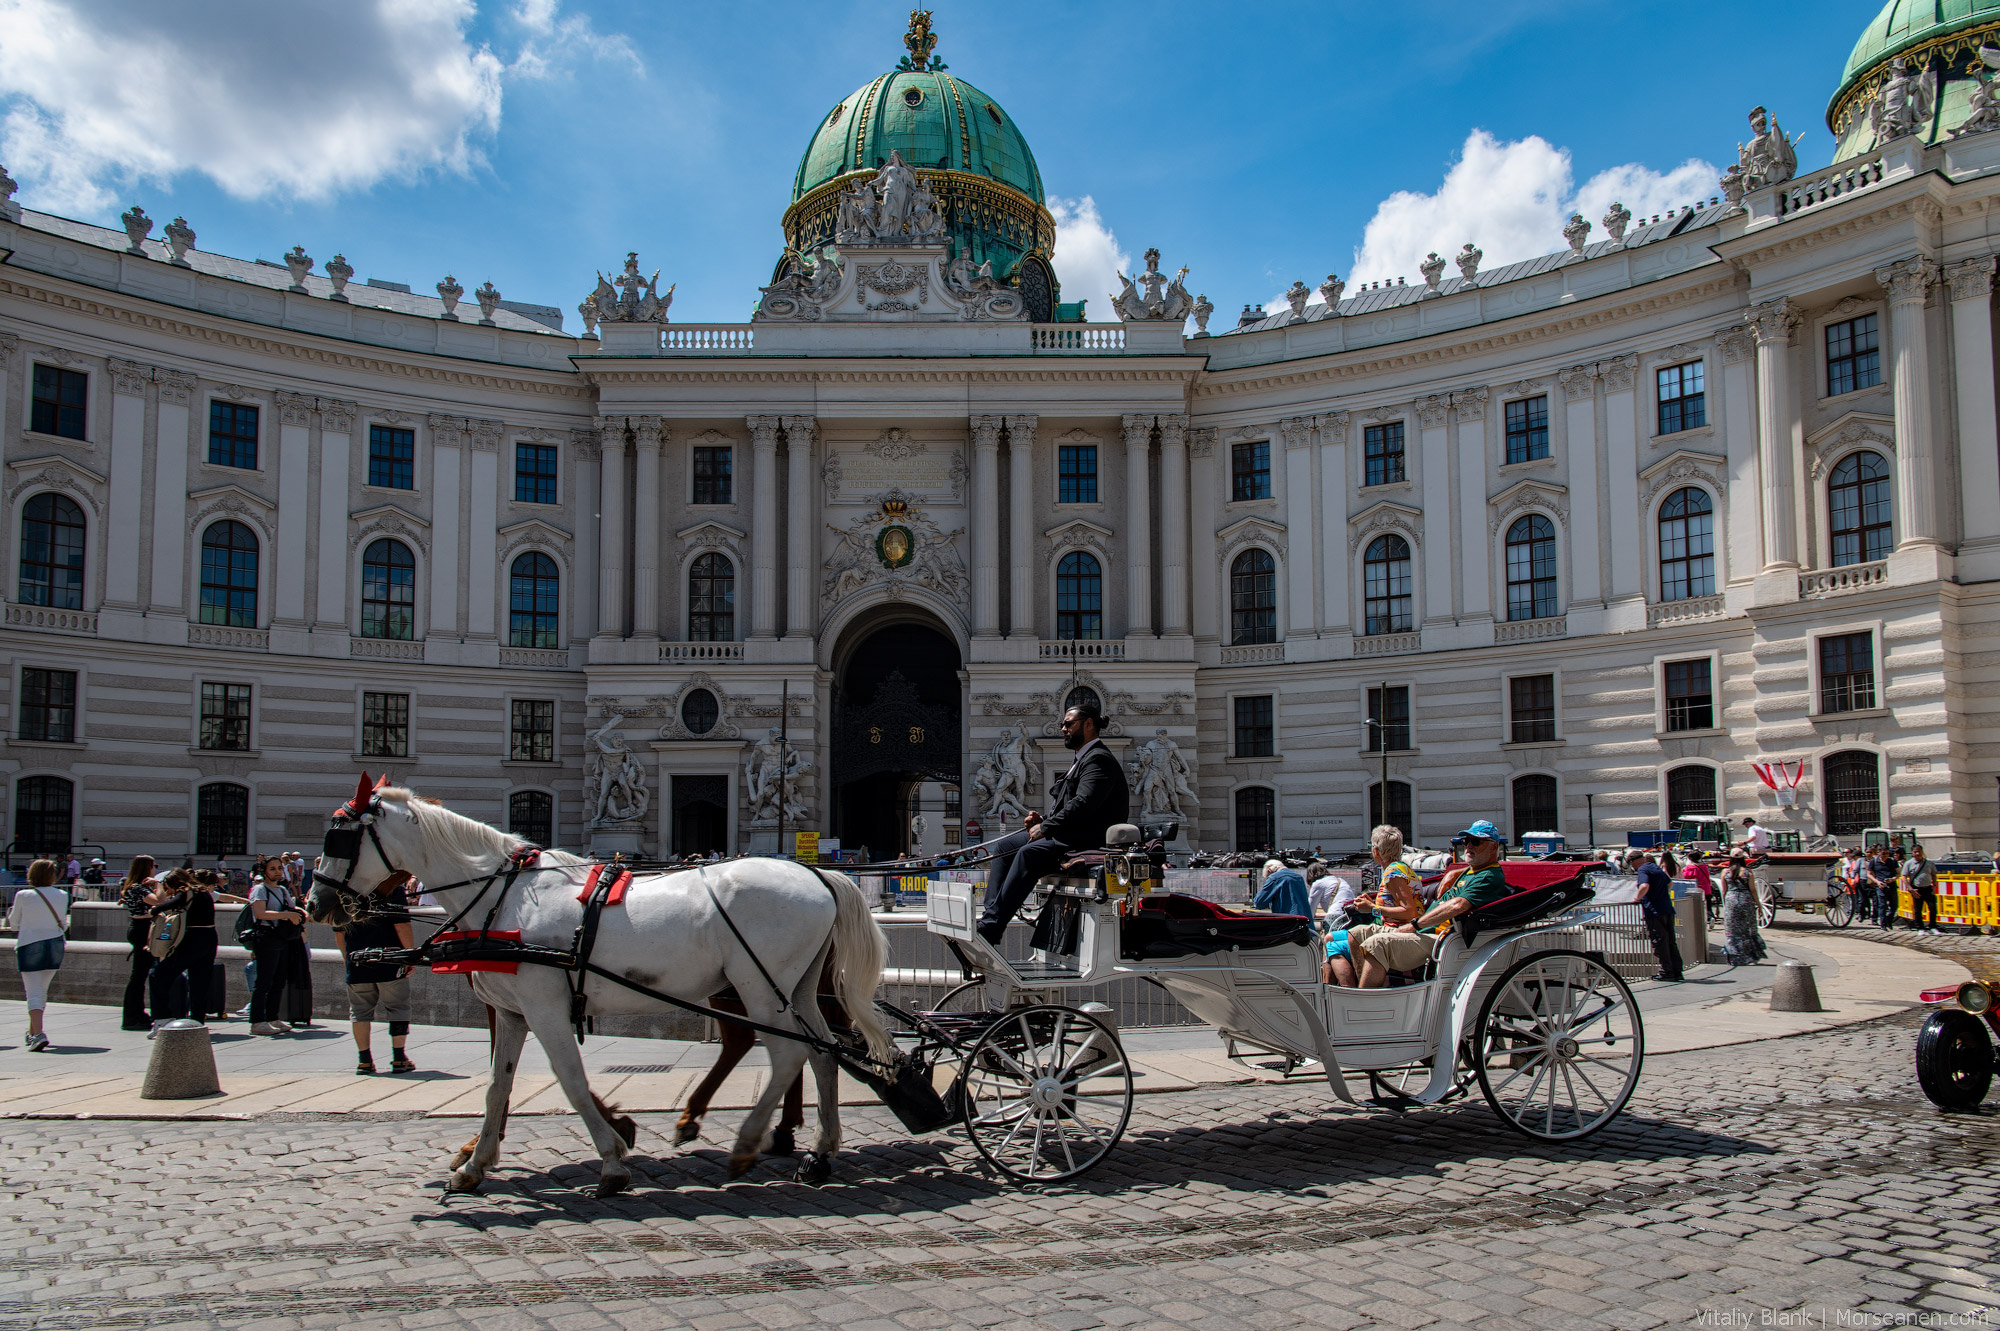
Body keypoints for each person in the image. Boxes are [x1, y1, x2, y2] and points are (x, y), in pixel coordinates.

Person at [976, 701, 1129, 943]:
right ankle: (989, 916)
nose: (1063, 729)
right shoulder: (1084, 758)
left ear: (1088, 724)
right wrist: (1043, 820)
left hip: (1088, 838)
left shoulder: (1098, 759)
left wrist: (1046, 827)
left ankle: (993, 926)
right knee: (1004, 848)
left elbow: (1084, 804)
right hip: (1069, 832)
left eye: (1068, 724)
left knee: (1029, 853)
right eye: (1062, 724)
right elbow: (1070, 805)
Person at [1344, 821, 1514, 988]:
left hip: (1440, 937)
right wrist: (1454, 872)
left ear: (1494, 847)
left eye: (1475, 841)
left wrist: (1415, 925)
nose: (1468, 846)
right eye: (1465, 841)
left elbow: (1457, 906)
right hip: (1426, 930)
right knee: (1356, 934)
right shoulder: (1475, 870)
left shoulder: (1488, 876)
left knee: (1376, 944)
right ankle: (1363, 989)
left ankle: (1367, 1001)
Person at [334, 881, 416, 1074]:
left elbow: (339, 934)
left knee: (359, 1012)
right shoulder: (391, 889)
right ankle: (398, 1058)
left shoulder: (344, 892)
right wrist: (410, 955)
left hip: (357, 961)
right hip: (390, 959)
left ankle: (364, 1060)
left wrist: (349, 959)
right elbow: (402, 925)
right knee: (398, 1007)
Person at [1325, 825, 1419, 987]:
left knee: (1332, 947)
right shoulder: (1399, 869)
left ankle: (1349, 991)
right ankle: (1329, 989)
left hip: (1397, 930)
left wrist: (1372, 908)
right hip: (1388, 926)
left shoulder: (1393, 874)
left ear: (1376, 851)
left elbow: (1410, 912)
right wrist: (1373, 903)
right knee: (1329, 937)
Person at [9, 859, 70, 1051]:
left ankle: (38, 1034)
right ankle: (32, 1031)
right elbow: (64, 922)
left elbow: (14, 924)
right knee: (41, 991)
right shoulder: (62, 894)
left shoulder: (24, 895)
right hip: (55, 944)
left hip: (30, 943)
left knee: (33, 992)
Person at [147, 868, 220, 1028]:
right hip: (210, 939)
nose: (170, 891)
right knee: (199, 984)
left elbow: (169, 904)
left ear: (175, 883)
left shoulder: (186, 891)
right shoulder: (203, 891)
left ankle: (162, 1017)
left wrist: (154, 910)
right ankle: (197, 1023)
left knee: (158, 975)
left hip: (192, 940)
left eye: (169, 888)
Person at [246, 865, 307, 1035]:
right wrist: (286, 915)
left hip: (281, 937)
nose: (277, 872)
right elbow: (260, 913)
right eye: (272, 869)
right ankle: (257, 1021)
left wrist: (302, 912)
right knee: (264, 981)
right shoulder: (259, 889)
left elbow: (290, 907)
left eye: (279, 868)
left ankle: (272, 1017)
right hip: (266, 936)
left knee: (279, 980)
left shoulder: (281, 889)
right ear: (263, 872)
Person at [118, 855, 160, 1030]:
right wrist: (158, 885)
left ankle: (138, 1014)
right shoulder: (138, 889)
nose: (155, 869)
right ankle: (132, 1016)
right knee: (138, 976)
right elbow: (159, 902)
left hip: (139, 927)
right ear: (146, 868)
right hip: (142, 929)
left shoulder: (134, 887)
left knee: (139, 975)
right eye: (153, 866)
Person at [1630, 849, 1683, 982]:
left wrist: (1637, 898)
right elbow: (1670, 883)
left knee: (1659, 941)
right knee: (1671, 941)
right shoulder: (1654, 867)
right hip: (1667, 909)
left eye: (1632, 863)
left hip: (1654, 911)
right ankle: (1677, 971)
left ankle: (1666, 971)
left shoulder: (1643, 870)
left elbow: (1644, 885)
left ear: (1634, 861)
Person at [1718, 851, 1767, 965]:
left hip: (1731, 899)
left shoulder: (1725, 872)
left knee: (1732, 930)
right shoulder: (1747, 872)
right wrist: (1758, 905)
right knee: (1748, 929)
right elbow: (1753, 890)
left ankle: (1735, 957)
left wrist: (1725, 905)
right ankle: (1751, 957)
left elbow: (1724, 891)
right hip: (1746, 900)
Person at [1903, 842, 1940, 935]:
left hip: (1928, 888)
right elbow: (1904, 876)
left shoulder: (1929, 863)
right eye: (1915, 852)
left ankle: (1933, 926)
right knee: (1918, 909)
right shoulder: (1909, 863)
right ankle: (1920, 927)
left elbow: (1934, 874)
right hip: (1916, 889)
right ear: (1912, 853)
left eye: (1919, 851)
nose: (1917, 854)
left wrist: (1934, 886)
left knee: (1932, 908)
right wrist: (1910, 888)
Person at [1868, 845, 1900, 928]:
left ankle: (1889, 920)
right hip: (1881, 886)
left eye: (1887, 853)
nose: (1885, 855)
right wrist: (1877, 882)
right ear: (1879, 853)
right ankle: (1883, 924)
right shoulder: (1874, 861)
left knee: (1894, 905)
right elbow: (1869, 874)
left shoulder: (1892, 861)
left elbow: (1898, 873)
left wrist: (1893, 879)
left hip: (1892, 885)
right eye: (1883, 853)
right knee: (1882, 905)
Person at [1681, 854, 1716, 925]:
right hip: (1707, 888)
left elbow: (1685, 876)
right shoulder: (1704, 866)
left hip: (1697, 889)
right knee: (1708, 905)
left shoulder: (1690, 867)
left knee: (1697, 906)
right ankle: (1710, 917)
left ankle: (1699, 921)